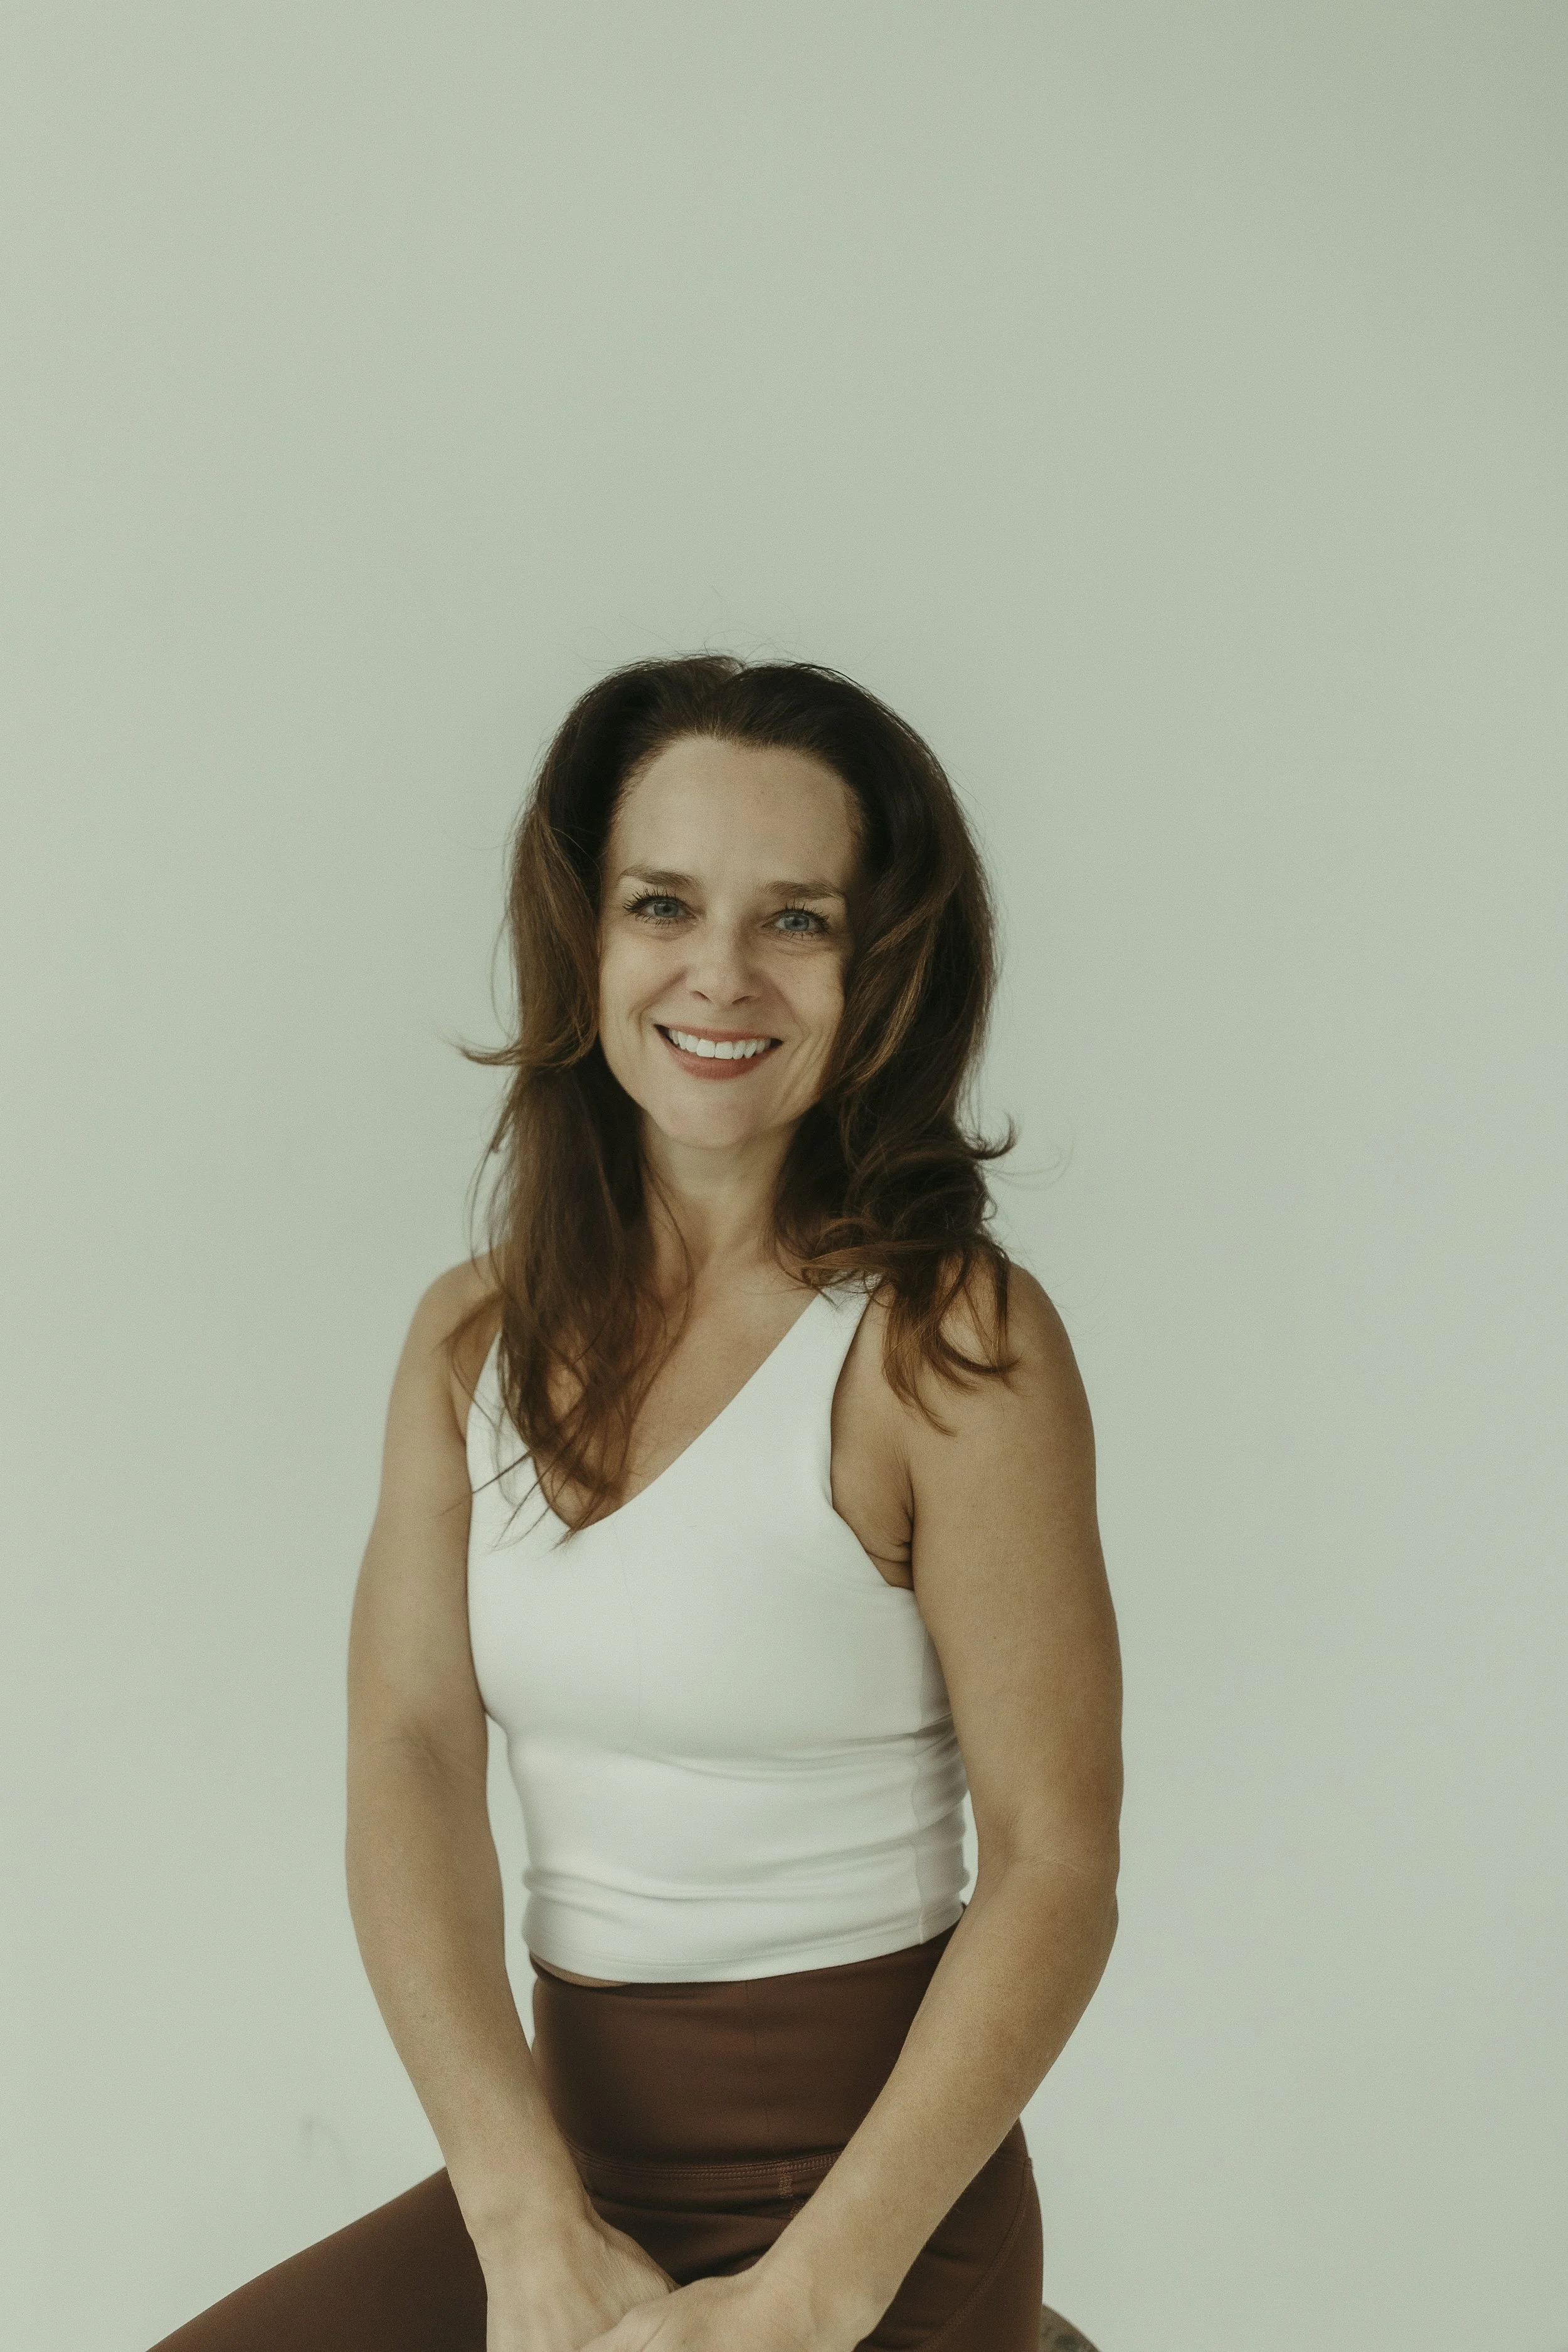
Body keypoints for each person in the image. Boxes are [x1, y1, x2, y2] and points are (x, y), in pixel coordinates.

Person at [151, 655, 1123, 2352]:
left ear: (882, 967)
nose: (720, 973)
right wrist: (522, 2218)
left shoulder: (946, 1344)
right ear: (584, 938)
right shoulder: (469, 1339)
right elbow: (412, 1757)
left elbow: (1055, 1866)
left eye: (797, 919)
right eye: (661, 903)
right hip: (574, 2180)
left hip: (878, 2221)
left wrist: (812, 2296)